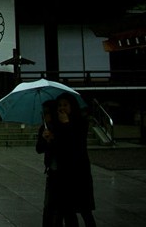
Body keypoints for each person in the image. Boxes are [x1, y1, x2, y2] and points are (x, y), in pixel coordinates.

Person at [52, 92, 96, 226]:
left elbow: (77, 143)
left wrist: (66, 123)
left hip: (79, 170)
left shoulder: (81, 122)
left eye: (65, 105)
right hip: (64, 171)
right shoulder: (56, 124)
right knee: (66, 210)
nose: (62, 108)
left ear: (72, 106)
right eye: (59, 105)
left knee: (85, 209)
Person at [36, 99, 58, 227]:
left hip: (67, 170)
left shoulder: (63, 127)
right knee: (48, 204)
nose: (45, 116)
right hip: (52, 170)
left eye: (48, 113)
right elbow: (39, 149)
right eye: (43, 113)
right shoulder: (44, 128)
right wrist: (45, 140)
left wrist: (54, 139)